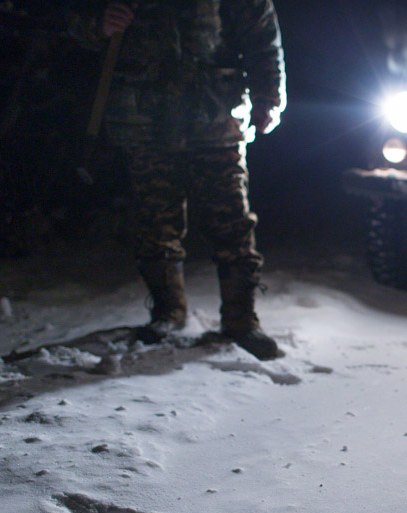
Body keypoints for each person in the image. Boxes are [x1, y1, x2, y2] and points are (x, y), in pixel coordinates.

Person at [68, 0, 287, 359]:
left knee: (232, 222)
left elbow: (261, 33)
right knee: (155, 220)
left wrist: (268, 96)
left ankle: (241, 320)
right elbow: (69, 25)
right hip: (146, 115)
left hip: (216, 113)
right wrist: (98, 23)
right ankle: (167, 313)